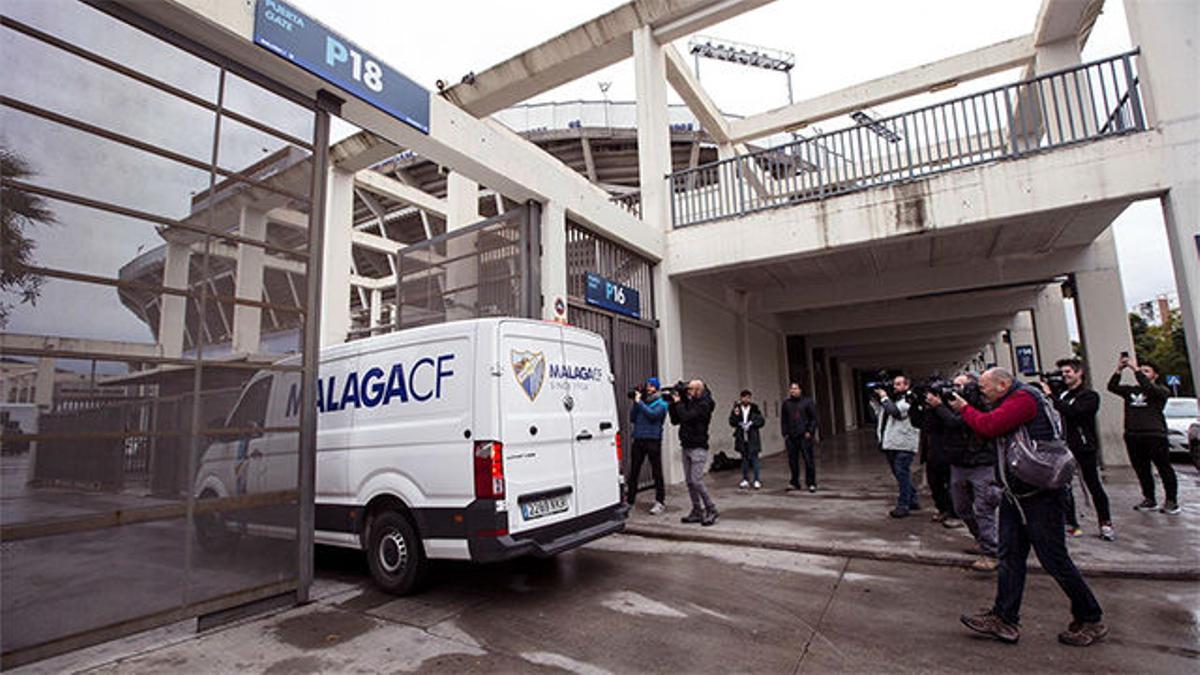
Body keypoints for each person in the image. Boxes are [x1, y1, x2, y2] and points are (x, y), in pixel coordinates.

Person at [951, 367, 1106, 647]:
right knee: (1010, 556)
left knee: (1054, 559)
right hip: (1017, 493)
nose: (981, 392)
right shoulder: (1009, 399)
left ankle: (1091, 617)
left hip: (1040, 494)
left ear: (1003, 384)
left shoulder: (1024, 399)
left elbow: (989, 426)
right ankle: (1004, 618)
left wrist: (963, 408)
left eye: (984, 387)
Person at [924, 373, 997, 572]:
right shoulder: (946, 406)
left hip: (981, 462)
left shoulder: (981, 405)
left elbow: (958, 422)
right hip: (958, 462)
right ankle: (982, 540)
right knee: (962, 507)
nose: (955, 390)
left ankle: (991, 551)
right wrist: (932, 407)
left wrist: (941, 406)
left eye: (960, 386)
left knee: (983, 508)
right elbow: (930, 426)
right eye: (953, 386)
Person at [1039, 358, 1114, 540]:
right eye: (1062, 373)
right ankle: (1071, 523)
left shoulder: (1089, 396)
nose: (1064, 376)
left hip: (1083, 446)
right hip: (1063, 447)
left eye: (1068, 372)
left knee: (1093, 484)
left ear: (1079, 372)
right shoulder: (1063, 394)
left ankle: (1105, 523)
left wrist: (1051, 396)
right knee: (1064, 487)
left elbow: (1075, 413)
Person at [1107, 355, 1179, 514]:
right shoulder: (1131, 391)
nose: (1143, 373)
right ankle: (1149, 498)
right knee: (1142, 469)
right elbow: (1112, 387)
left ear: (1155, 375)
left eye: (1147, 371)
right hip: (1133, 435)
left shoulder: (1160, 391)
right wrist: (1119, 370)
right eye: (1142, 370)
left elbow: (1149, 388)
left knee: (1164, 468)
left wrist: (1136, 370)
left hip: (1155, 434)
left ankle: (1172, 500)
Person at [668, 379, 718, 526]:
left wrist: (678, 403)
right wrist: (673, 404)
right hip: (686, 445)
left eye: (690, 390)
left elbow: (687, 416)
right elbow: (676, 420)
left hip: (698, 446)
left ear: (698, 390)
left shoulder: (705, 404)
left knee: (696, 480)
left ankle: (711, 508)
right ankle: (697, 510)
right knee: (690, 482)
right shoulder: (689, 402)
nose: (688, 393)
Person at [872, 375, 921, 517]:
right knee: (900, 475)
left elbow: (896, 413)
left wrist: (884, 397)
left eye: (899, 384)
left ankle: (903, 505)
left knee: (902, 473)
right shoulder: (893, 400)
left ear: (907, 385)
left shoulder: (910, 399)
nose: (895, 387)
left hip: (904, 444)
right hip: (891, 443)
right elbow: (880, 413)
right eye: (894, 384)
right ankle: (912, 499)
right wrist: (876, 398)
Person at [627, 377, 669, 515]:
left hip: (653, 440)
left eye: (651, 386)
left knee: (656, 472)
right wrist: (635, 403)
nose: (648, 388)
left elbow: (652, 415)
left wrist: (639, 403)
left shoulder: (662, 403)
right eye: (647, 385)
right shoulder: (641, 402)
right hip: (638, 439)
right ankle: (630, 500)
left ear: (656, 388)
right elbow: (632, 418)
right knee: (634, 471)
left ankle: (660, 501)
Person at [780, 383, 819, 492]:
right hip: (791, 437)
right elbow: (784, 420)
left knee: (808, 460)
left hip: (804, 436)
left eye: (795, 388)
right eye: (791, 389)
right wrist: (785, 433)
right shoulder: (786, 404)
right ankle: (794, 482)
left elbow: (814, 418)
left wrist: (810, 431)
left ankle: (811, 483)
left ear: (800, 390)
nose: (793, 391)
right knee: (793, 461)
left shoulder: (807, 402)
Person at [730, 389, 766, 489]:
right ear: (741, 398)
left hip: (752, 437)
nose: (746, 399)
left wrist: (752, 423)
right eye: (744, 397)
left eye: (748, 397)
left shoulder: (755, 408)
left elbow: (761, 421)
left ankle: (756, 480)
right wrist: (739, 423)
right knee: (744, 460)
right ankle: (745, 479)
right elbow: (731, 421)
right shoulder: (736, 408)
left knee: (755, 459)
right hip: (742, 437)